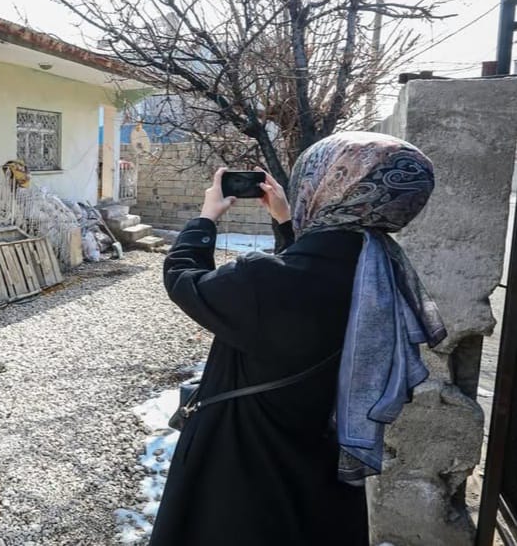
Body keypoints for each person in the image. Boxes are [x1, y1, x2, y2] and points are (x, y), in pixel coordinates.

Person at [151, 132, 446, 546]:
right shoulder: (377, 268)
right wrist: (288, 222)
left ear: (328, 187)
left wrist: (205, 219)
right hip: (317, 464)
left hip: (244, 471)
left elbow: (184, 281)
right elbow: (306, 277)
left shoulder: (267, 283)